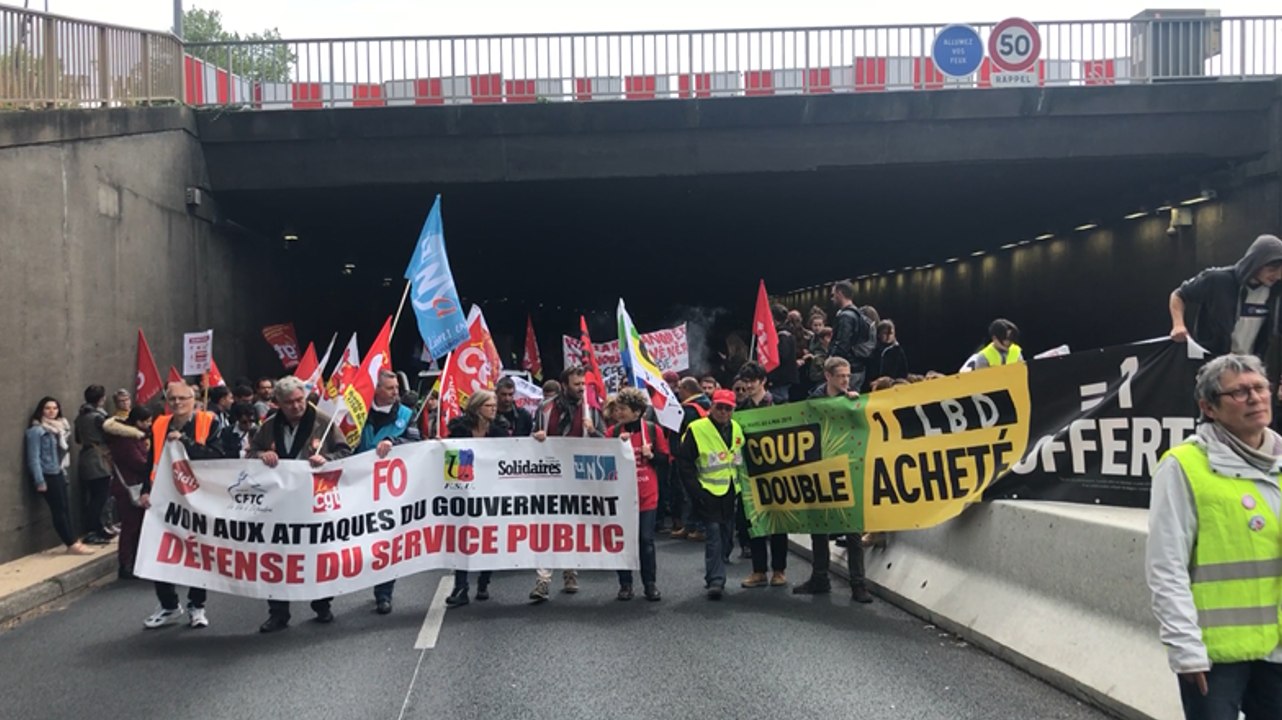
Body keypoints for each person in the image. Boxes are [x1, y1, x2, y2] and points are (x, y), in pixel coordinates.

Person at [1146, 354, 1282, 719]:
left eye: (1259, 387)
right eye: (1239, 392)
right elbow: (1166, 566)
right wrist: (1184, 649)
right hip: (1214, 656)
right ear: (1209, 408)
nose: (1254, 398)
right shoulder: (1183, 467)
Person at [250, 376, 352, 633]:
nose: (296, 406)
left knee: (317, 555)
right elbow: (250, 454)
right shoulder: (269, 426)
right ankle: (278, 613)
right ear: (278, 404)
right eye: (289, 403)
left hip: (313, 501)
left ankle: (322, 604)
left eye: (300, 400)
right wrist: (262, 454)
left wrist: (326, 458)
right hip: (279, 504)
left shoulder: (322, 422)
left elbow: (345, 452)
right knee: (276, 557)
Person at [143, 381, 226, 629]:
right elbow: (152, 460)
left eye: (182, 398)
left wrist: (186, 442)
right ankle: (168, 604)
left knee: (197, 553)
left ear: (194, 399)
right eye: (172, 399)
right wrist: (146, 490)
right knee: (160, 549)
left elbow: (218, 456)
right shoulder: (159, 425)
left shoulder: (208, 422)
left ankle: (196, 605)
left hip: (198, 500)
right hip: (165, 498)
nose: (177, 403)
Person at [797, 358, 873, 604]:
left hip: (847, 469)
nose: (846, 381)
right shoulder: (812, 403)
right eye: (841, 376)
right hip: (819, 469)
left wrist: (856, 408)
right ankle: (820, 578)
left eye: (848, 376)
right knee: (819, 528)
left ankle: (858, 584)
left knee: (852, 530)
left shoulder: (853, 400)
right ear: (827, 376)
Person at [530, 367, 603, 601]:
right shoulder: (545, 408)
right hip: (549, 475)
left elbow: (605, 441)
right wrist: (537, 437)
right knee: (546, 525)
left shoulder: (592, 409)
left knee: (572, 526)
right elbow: (531, 438)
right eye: (576, 384)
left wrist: (593, 432)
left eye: (583, 384)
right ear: (564, 385)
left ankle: (571, 571)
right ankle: (543, 580)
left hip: (578, 477)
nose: (581, 388)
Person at [357, 371, 421, 614]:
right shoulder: (358, 413)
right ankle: (326, 599)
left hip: (389, 490)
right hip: (357, 487)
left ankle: (384, 593)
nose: (396, 392)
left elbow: (417, 443)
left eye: (397, 387)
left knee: (386, 541)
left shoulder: (405, 415)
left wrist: (395, 442)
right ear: (376, 390)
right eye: (390, 388)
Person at [676, 389, 745, 600]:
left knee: (726, 534)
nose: (723, 412)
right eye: (720, 407)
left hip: (730, 490)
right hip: (707, 490)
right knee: (714, 534)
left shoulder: (737, 428)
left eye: (728, 408)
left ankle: (720, 563)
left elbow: (739, 458)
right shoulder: (696, 429)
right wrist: (696, 492)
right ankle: (716, 580)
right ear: (712, 407)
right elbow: (685, 463)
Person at [1169, 234, 1282, 361]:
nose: (1277, 276)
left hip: (1251, 363)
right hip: (1212, 361)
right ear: (1255, 263)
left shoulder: (1275, 291)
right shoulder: (1218, 279)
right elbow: (1179, 295)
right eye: (1272, 269)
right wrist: (1178, 325)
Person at [444, 390, 509, 608]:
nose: (494, 408)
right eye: (489, 405)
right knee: (463, 538)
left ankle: (483, 582)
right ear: (477, 407)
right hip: (464, 491)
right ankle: (460, 586)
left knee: (487, 537)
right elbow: (449, 460)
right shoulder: (458, 431)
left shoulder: (500, 433)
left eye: (494, 405)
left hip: (490, 491)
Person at [607, 388, 669, 602]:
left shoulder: (652, 430)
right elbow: (603, 464)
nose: (619, 412)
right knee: (622, 540)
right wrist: (616, 447)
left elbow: (665, 460)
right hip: (621, 496)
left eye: (623, 409)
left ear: (637, 412)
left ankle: (650, 584)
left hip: (646, 494)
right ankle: (625, 584)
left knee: (645, 540)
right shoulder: (613, 432)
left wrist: (651, 456)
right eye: (618, 408)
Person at [25, 397, 93, 555]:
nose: (51, 412)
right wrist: (39, 480)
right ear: (41, 410)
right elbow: (33, 458)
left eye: (54, 408)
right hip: (47, 474)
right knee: (58, 511)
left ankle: (74, 540)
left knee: (65, 508)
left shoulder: (60, 429)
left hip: (58, 472)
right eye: (47, 408)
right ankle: (70, 543)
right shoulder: (36, 431)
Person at [104, 406, 153, 579]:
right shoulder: (126, 440)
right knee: (131, 526)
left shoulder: (134, 437)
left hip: (134, 485)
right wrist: (152, 465)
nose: (149, 424)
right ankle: (126, 564)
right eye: (146, 421)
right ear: (137, 422)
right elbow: (138, 463)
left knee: (136, 526)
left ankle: (133, 562)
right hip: (128, 487)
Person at [732, 362, 773, 560]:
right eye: (745, 382)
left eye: (752, 382)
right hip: (748, 470)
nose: (748, 386)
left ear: (763, 381)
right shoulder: (739, 409)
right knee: (748, 516)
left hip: (773, 468)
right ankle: (756, 563)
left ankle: (778, 568)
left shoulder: (778, 404)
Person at [671, 377, 712, 542]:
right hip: (703, 453)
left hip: (690, 455)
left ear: (687, 389)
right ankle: (690, 525)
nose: (678, 391)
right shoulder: (706, 404)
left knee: (691, 492)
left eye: (680, 388)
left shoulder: (690, 410)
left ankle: (699, 527)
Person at [74, 385, 115, 545]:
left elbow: (78, 439)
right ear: (101, 399)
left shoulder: (80, 417)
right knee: (100, 496)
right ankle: (93, 530)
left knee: (94, 495)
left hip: (85, 456)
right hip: (99, 459)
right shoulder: (99, 417)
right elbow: (109, 435)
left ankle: (98, 528)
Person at [829, 281, 874, 391]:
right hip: (858, 367)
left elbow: (842, 343)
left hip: (847, 369)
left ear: (840, 293)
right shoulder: (858, 314)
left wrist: (831, 362)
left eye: (833, 294)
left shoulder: (846, 317)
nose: (832, 298)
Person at [766, 304, 800, 404]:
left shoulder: (782, 335)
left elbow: (782, 356)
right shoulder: (788, 333)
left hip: (780, 378)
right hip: (784, 377)